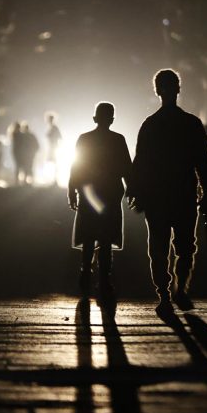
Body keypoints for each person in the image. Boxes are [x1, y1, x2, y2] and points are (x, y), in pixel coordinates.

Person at [128, 69, 207, 316]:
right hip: (184, 194)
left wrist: (135, 190)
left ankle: (164, 293)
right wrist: (206, 190)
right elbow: (203, 161)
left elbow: (140, 162)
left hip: (157, 197)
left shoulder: (150, 125)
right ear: (178, 89)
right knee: (186, 246)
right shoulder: (192, 124)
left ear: (158, 91)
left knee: (158, 246)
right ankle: (180, 289)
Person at [68, 102, 132, 301]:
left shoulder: (84, 139)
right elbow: (127, 169)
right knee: (106, 241)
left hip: (88, 195)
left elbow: (76, 167)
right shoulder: (118, 140)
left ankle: (85, 276)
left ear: (95, 118)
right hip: (111, 196)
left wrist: (72, 190)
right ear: (112, 119)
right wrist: (133, 190)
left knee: (88, 239)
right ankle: (104, 281)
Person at [44, 112, 63, 185]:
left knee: (54, 163)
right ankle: (53, 179)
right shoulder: (52, 128)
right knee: (52, 163)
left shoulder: (54, 128)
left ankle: (55, 179)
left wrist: (56, 144)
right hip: (52, 147)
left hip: (53, 148)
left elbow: (60, 137)